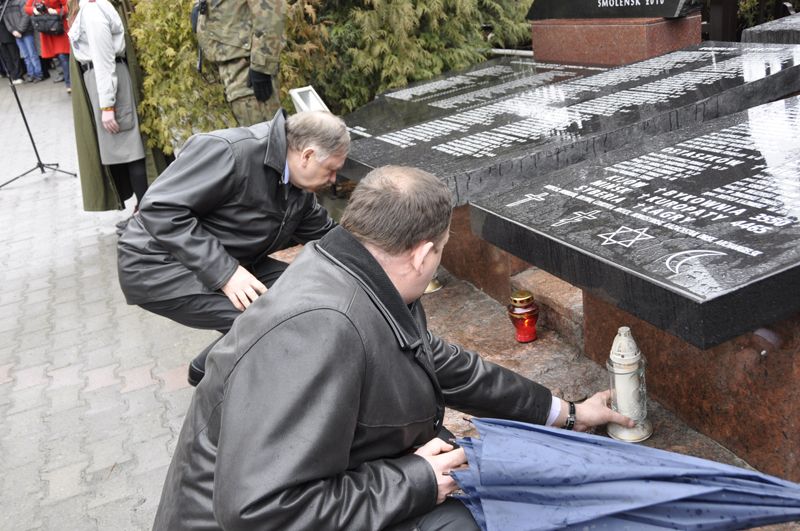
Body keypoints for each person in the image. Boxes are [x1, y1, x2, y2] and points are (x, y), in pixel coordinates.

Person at [153, 165, 634, 530]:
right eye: (441, 250)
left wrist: (567, 414)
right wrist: (416, 480)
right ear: (423, 254)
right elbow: (259, 509)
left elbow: (446, 366)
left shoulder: (359, 272)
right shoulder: (318, 329)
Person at [116, 109, 349, 386]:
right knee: (278, 322)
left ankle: (208, 365)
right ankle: (222, 390)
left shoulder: (298, 189)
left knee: (310, 296)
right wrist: (226, 273)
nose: (334, 179)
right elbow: (160, 208)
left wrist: (378, 256)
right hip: (156, 264)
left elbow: (329, 238)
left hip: (225, 258)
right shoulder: (231, 152)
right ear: (307, 155)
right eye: (331, 170)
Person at [67, 0, 149, 210]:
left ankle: (146, 214)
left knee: (130, 149)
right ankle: (143, 210)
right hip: (102, 81)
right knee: (126, 148)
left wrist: (107, 106)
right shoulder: (89, 7)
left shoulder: (93, 9)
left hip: (106, 81)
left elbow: (104, 60)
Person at [195, 0, 284, 126]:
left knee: (265, 134)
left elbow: (271, 9)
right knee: (253, 133)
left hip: (247, 69)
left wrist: (262, 65)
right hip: (230, 67)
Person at [24, 0, 70, 92]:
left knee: (63, 56)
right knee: (58, 57)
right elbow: (26, 8)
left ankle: (69, 83)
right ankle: (66, 78)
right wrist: (34, 10)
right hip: (46, 28)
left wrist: (56, 11)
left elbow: (68, 6)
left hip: (58, 27)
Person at [2, 0, 43, 82]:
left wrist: (18, 30)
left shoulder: (20, 2)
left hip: (24, 32)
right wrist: (13, 31)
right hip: (18, 33)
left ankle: (38, 74)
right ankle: (31, 74)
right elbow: (6, 20)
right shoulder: (6, 5)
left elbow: (26, 16)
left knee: (31, 54)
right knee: (26, 56)